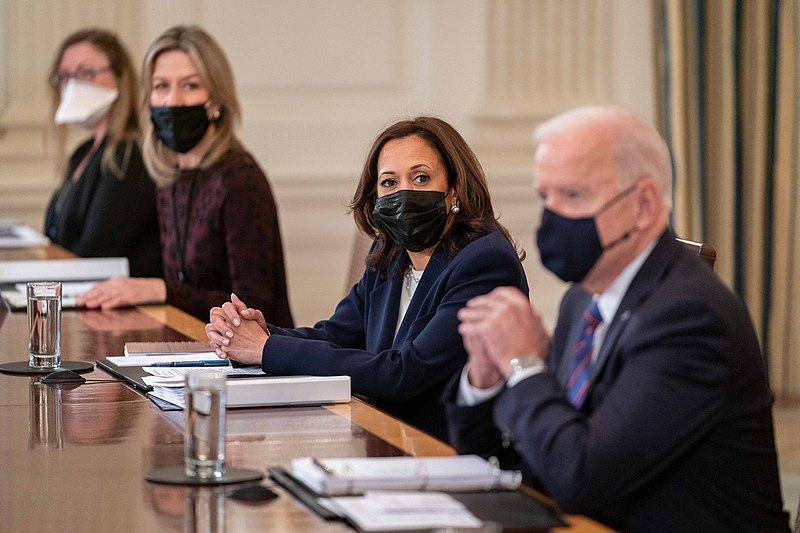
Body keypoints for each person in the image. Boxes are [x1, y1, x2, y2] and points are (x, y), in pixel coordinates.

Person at [444, 106, 790, 531]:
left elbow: (580, 477)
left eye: (572, 195)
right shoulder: (583, 300)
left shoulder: (689, 317)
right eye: (544, 196)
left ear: (642, 204)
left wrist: (523, 365)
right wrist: (486, 379)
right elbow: (535, 461)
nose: (551, 216)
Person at [205, 116, 528, 442]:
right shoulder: (390, 251)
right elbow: (337, 334)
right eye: (389, 183)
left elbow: (404, 374)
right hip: (386, 441)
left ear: (454, 191)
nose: (404, 194)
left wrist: (265, 349)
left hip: (446, 451)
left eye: (420, 178)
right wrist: (259, 333)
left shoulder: (484, 262)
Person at [77, 25, 293, 326]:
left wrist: (160, 290)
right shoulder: (170, 174)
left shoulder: (240, 179)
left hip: (253, 360)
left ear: (216, 101)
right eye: (161, 86)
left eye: (190, 85)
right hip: (190, 342)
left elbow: (253, 307)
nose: (172, 101)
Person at [44, 28, 162, 278]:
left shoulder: (130, 155)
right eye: (65, 76)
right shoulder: (83, 152)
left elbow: (97, 251)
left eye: (86, 73)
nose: (72, 85)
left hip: (120, 304)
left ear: (120, 77)